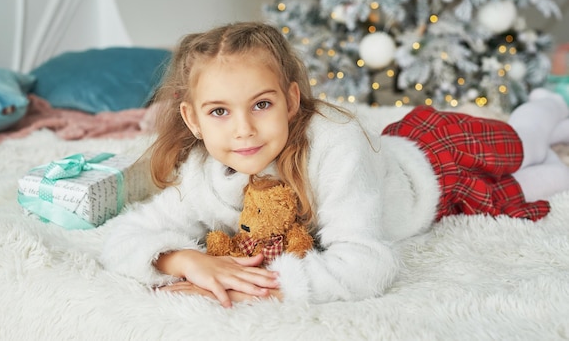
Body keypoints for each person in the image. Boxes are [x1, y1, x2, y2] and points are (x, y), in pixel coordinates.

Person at [100, 21, 569, 308]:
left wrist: (254, 287)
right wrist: (186, 260)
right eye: (219, 111)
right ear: (193, 119)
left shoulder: (336, 144)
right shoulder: (203, 171)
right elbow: (122, 235)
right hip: (446, 195)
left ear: (290, 99)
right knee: (550, 178)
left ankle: (552, 97)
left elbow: (367, 264)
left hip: (436, 165)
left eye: (261, 105)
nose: (242, 130)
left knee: (524, 143)